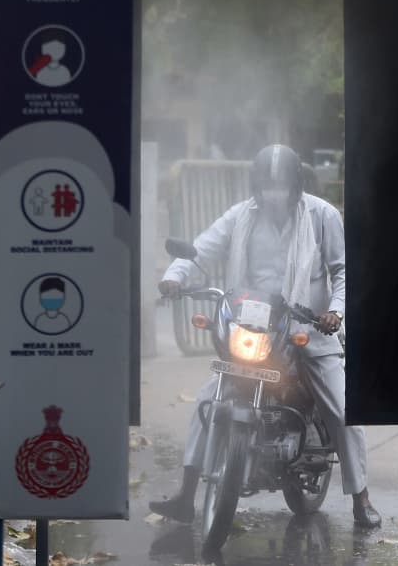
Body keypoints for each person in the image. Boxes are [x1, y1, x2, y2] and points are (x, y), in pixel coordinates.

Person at [150, 144, 381, 529]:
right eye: (267, 185)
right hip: (255, 328)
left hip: (309, 328)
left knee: (343, 409)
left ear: (296, 185)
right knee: (209, 396)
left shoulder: (322, 215)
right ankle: (187, 495)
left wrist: (335, 313)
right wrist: (174, 278)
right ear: (256, 186)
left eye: (282, 185)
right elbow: (202, 250)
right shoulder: (240, 216)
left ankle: (361, 498)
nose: (274, 192)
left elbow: (344, 271)